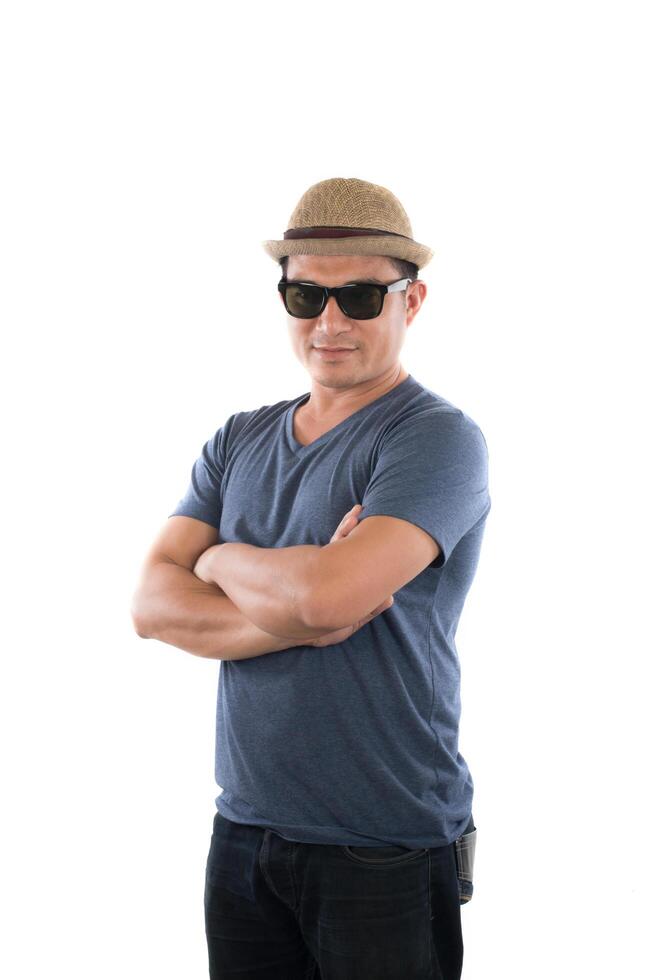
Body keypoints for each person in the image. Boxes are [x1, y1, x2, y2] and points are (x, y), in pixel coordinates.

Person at [131, 176, 490, 979]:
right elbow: (152, 603)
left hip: (382, 843)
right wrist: (298, 603)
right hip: (244, 832)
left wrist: (217, 561)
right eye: (306, 295)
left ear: (413, 301)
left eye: (362, 297)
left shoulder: (434, 442)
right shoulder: (239, 438)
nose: (330, 321)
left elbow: (331, 597)